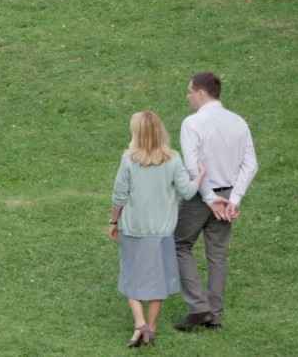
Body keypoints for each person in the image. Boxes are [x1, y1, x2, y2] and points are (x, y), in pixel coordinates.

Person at [108, 111, 218, 347]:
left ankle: (139, 324)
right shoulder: (173, 158)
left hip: (134, 229)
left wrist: (113, 222)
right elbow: (187, 191)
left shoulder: (129, 159)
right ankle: (151, 326)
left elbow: (119, 195)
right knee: (157, 280)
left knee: (131, 277)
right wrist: (201, 176)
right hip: (162, 232)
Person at [174, 72, 258, 330]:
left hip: (200, 196)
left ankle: (199, 307)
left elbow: (192, 167)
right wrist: (234, 199)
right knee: (218, 254)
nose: (188, 97)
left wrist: (210, 198)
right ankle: (214, 313)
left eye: (189, 92)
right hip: (228, 194)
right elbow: (251, 164)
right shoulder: (238, 121)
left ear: (201, 93)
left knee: (179, 244)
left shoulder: (192, 123)